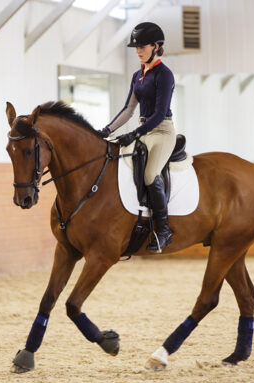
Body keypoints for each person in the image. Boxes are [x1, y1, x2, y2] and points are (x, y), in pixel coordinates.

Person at [102, 22, 176, 253]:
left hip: (162, 131)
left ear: (156, 46)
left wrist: (134, 134)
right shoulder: (138, 76)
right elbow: (128, 110)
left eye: (142, 46)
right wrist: (105, 131)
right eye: (136, 47)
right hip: (144, 130)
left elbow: (160, 113)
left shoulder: (164, 74)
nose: (138, 51)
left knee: (150, 174)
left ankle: (163, 231)